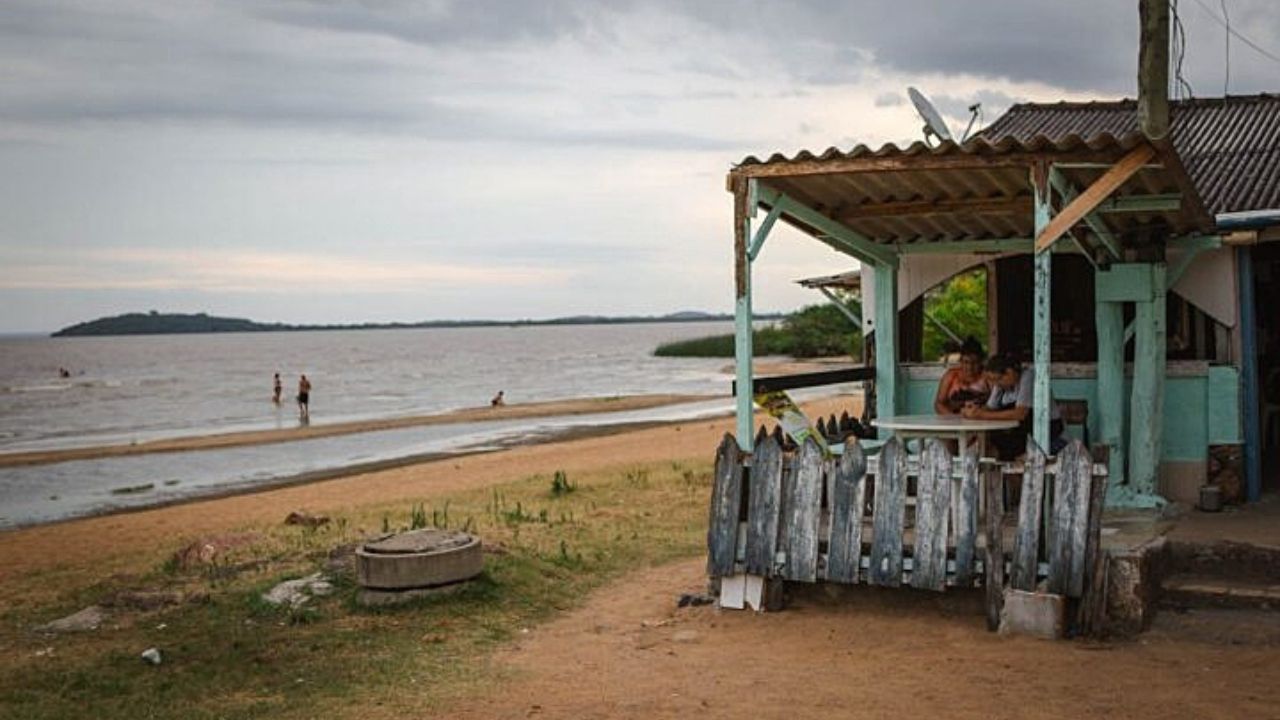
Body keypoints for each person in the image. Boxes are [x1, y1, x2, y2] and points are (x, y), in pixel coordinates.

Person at [961, 354, 1065, 460]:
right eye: (992, 380)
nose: (996, 384)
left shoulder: (1028, 377)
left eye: (998, 379)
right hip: (1019, 432)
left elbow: (1020, 413)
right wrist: (973, 410)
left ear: (1010, 372)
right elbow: (990, 408)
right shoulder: (1001, 384)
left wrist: (980, 414)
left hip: (1046, 431)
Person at [933, 336, 989, 415]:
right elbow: (939, 404)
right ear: (960, 361)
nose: (970, 367)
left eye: (975, 363)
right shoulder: (951, 375)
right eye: (966, 362)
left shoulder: (987, 376)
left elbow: (995, 404)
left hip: (980, 420)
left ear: (981, 362)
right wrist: (954, 420)